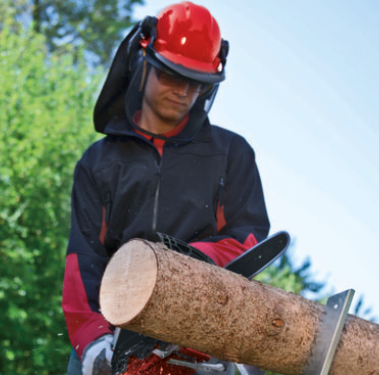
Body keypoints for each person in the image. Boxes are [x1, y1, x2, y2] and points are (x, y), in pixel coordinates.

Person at [62, 2, 270, 374]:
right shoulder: (99, 162)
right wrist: (93, 341)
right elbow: (83, 261)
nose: (183, 91)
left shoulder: (231, 154)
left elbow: (248, 239)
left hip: (200, 333)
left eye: (196, 83)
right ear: (145, 61)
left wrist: (177, 263)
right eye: (172, 76)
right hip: (115, 327)